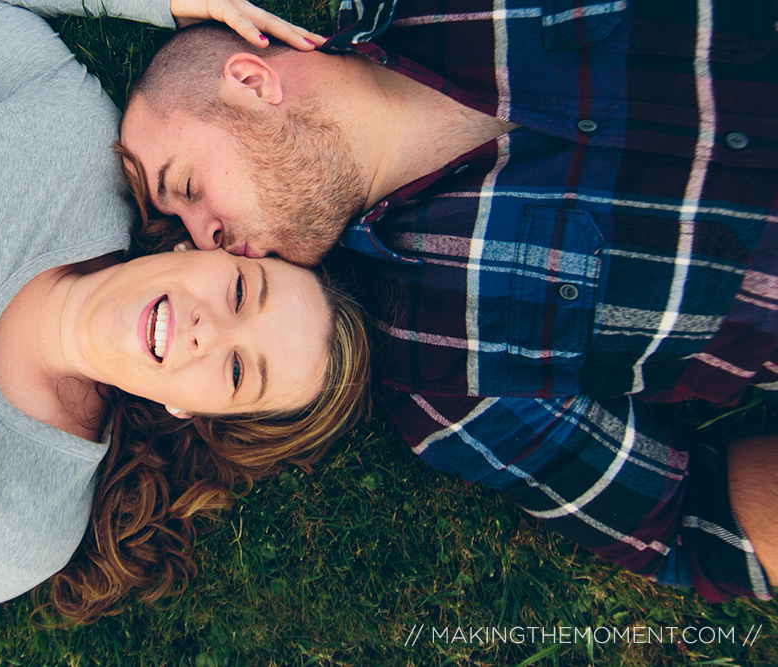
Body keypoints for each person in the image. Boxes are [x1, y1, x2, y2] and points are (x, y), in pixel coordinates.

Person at [115, 0, 778, 602]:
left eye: (188, 187)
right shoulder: (439, 367)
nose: (209, 242)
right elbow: (690, 522)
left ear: (254, 84)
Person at [0, 0, 369, 615]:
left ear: (193, 409)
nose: (208, 328)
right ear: (208, 249)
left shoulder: (16, 530)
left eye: (239, 371)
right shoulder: (74, 146)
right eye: (242, 292)